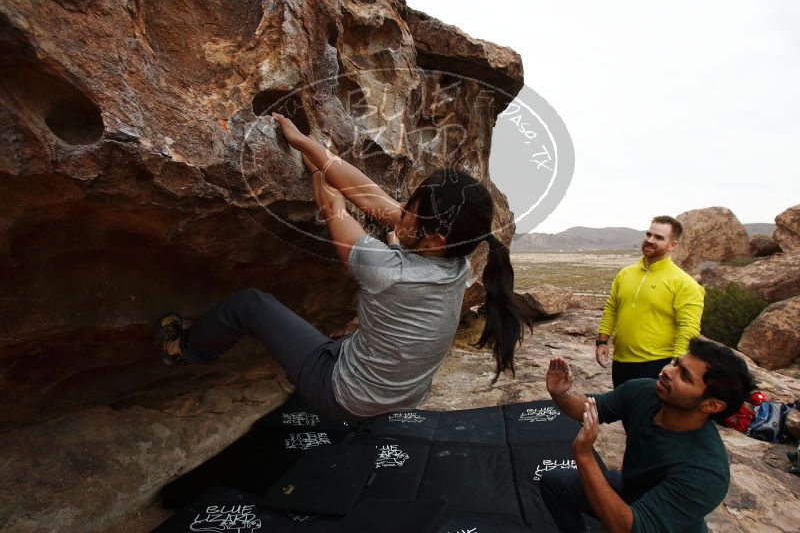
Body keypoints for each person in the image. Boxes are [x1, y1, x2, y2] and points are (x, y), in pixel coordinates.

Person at [155, 112, 531, 422]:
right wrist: (309, 144)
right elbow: (372, 199)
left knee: (249, 304)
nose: (400, 211)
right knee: (347, 337)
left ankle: (180, 351)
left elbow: (333, 208)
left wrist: (317, 171)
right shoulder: (458, 261)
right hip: (404, 397)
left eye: (411, 211)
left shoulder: (385, 269)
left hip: (346, 398)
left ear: (435, 241)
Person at [541, 338, 756, 533]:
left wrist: (585, 456)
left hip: (655, 524)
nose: (667, 372)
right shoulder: (645, 391)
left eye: (684, 376)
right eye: (675, 363)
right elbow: (590, 408)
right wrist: (561, 395)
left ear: (711, 405)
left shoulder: (706, 472)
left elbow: (630, 528)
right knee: (554, 484)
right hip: (632, 489)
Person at [596, 216, 705, 387]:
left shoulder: (684, 283)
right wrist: (602, 341)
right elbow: (612, 308)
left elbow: (689, 327)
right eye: (648, 234)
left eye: (659, 237)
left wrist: (675, 365)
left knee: (647, 413)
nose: (650, 240)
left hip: (656, 365)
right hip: (620, 362)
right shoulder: (625, 274)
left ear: (672, 245)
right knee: (624, 412)